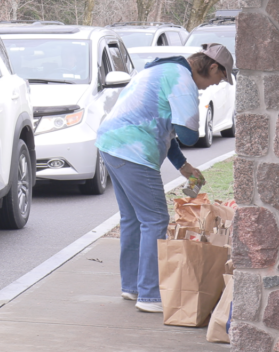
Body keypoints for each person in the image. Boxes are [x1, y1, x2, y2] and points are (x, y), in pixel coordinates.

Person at [95, 43, 234, 314]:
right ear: (213, 67)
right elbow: (189, 134)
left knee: (134, 218)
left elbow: (163, 125)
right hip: (133, 150)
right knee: (154, 219)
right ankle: (148, 296)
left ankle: (132, 285)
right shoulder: (183, 81)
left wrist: (183, 166)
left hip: (111, 143)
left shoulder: (164, 69)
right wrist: (192, 105)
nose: (213, 86)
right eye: (219, 79)